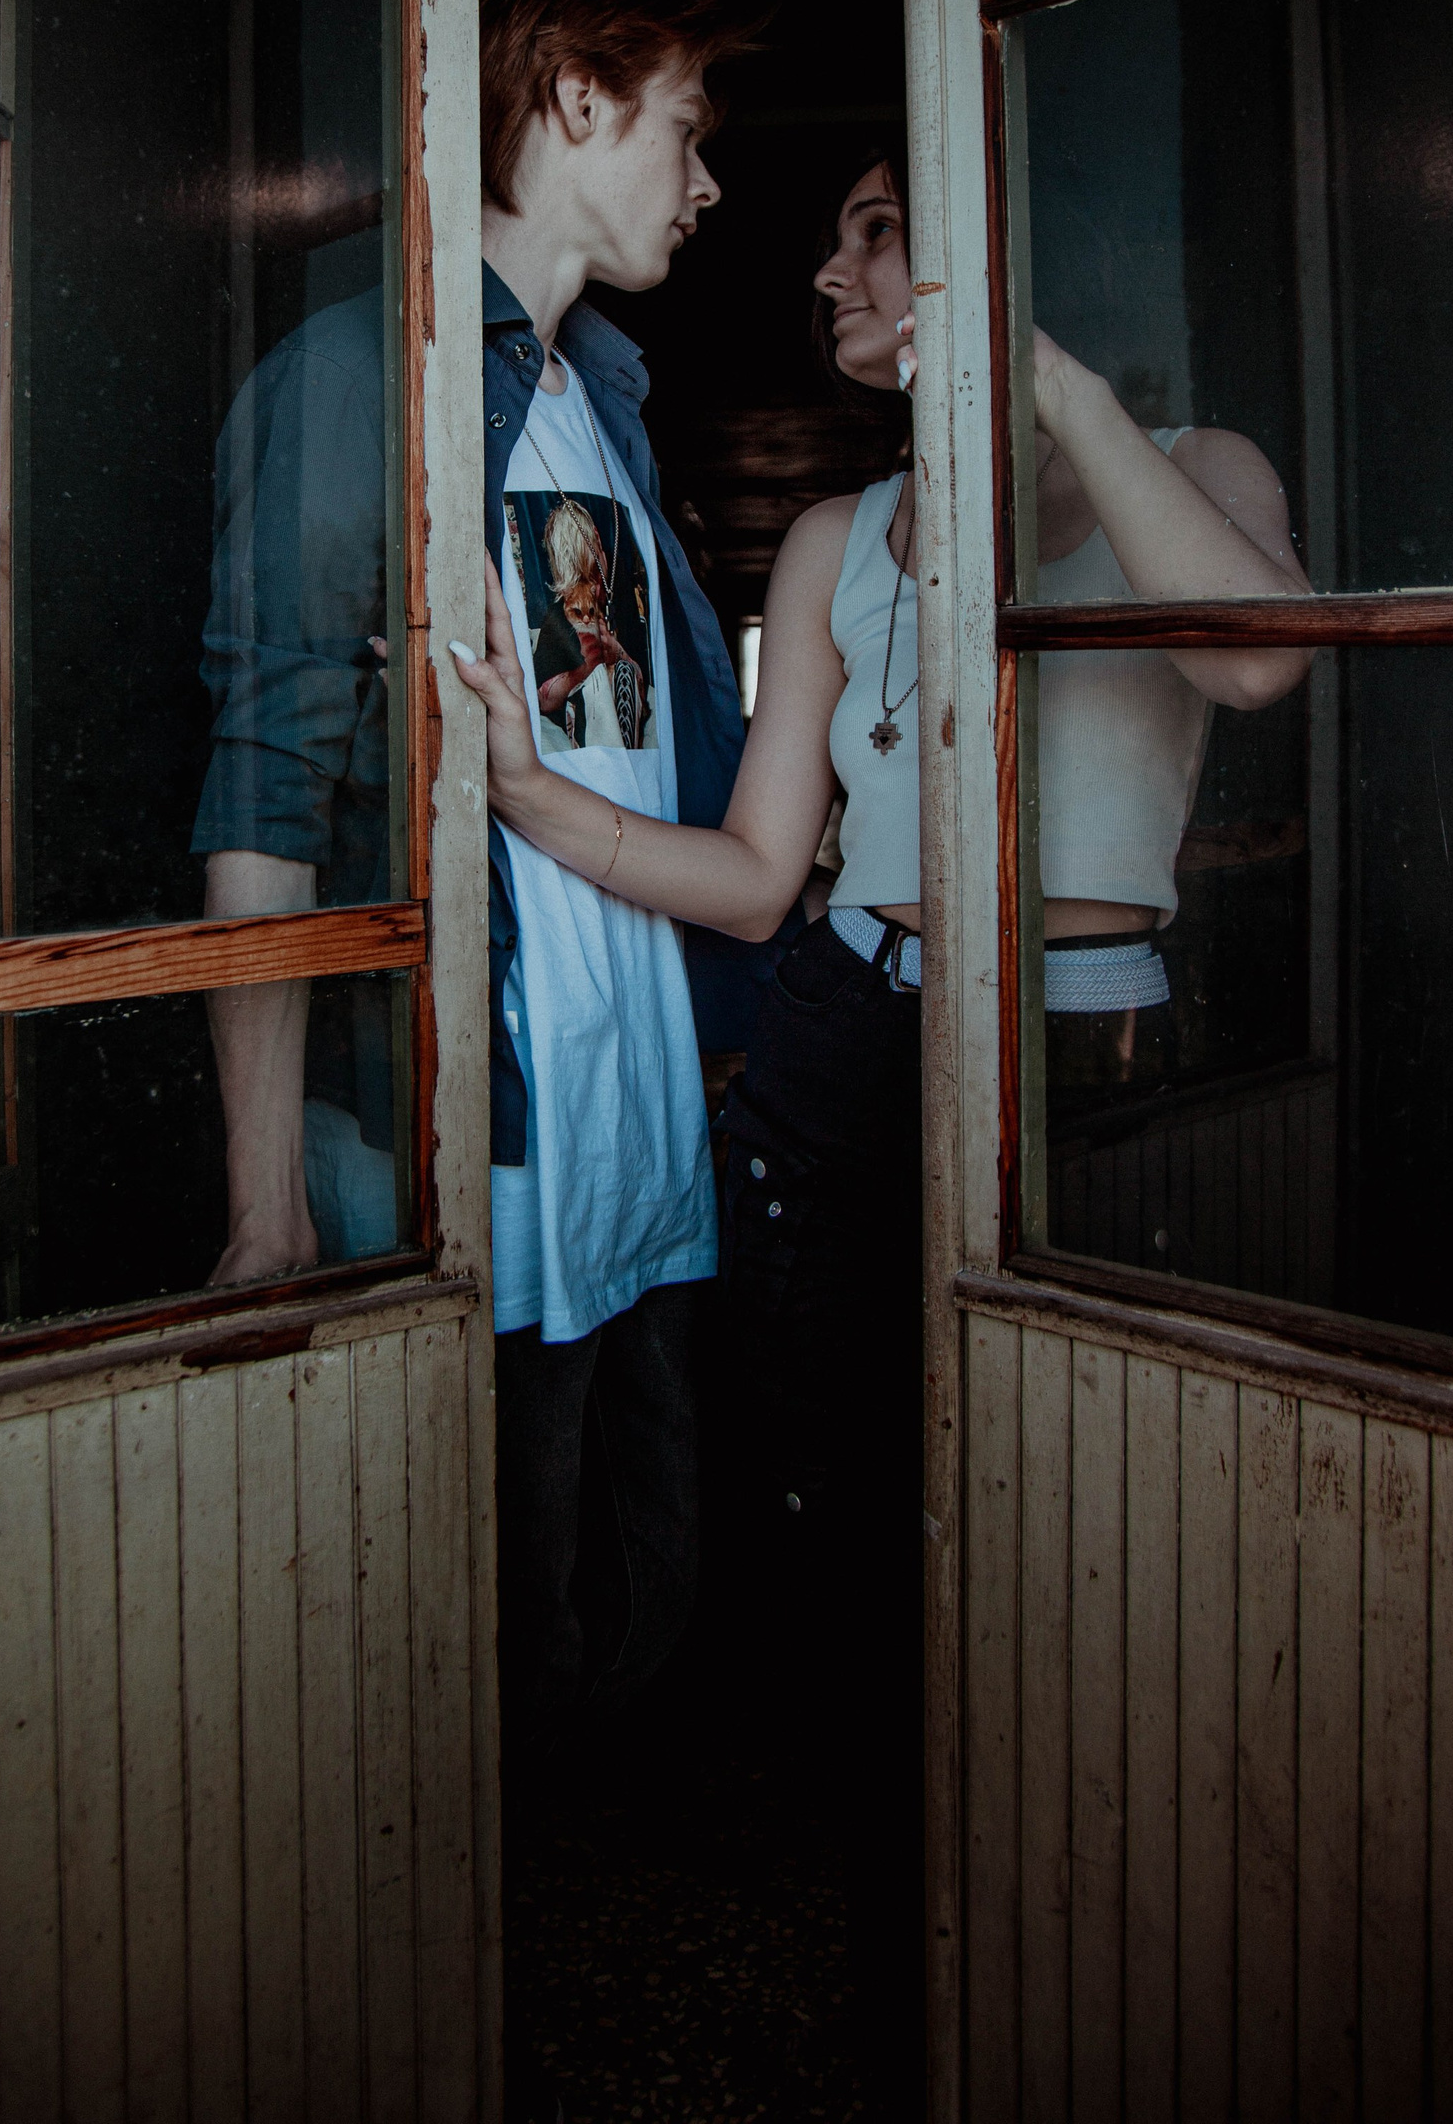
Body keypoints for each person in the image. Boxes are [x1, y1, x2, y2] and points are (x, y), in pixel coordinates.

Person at [452, 140, 1314, 2061]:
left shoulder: (1196, 461)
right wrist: (530, 795)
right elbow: (760, 877)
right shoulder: (841, 534)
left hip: (1078, 1052)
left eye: (877, 231)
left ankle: (1093, 1932)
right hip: (845, 1033)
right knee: (839, 1495)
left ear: (996, 236)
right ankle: (888, 1933)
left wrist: (1040, 375)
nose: (833, 272)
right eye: (843, 242)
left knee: (1089, 1492)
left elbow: (1258, 657)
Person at [192, 0, 764, 1816]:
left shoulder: (607, 402)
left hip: (642, 1114)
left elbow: (629, 757)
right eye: (688, 127)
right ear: (578, 100)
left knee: (645, 1578)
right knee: (465, 1643)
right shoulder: (363, 380)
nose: (709, 183)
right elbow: (267, 797)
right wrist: (267, 1202)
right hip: (481, 1138)